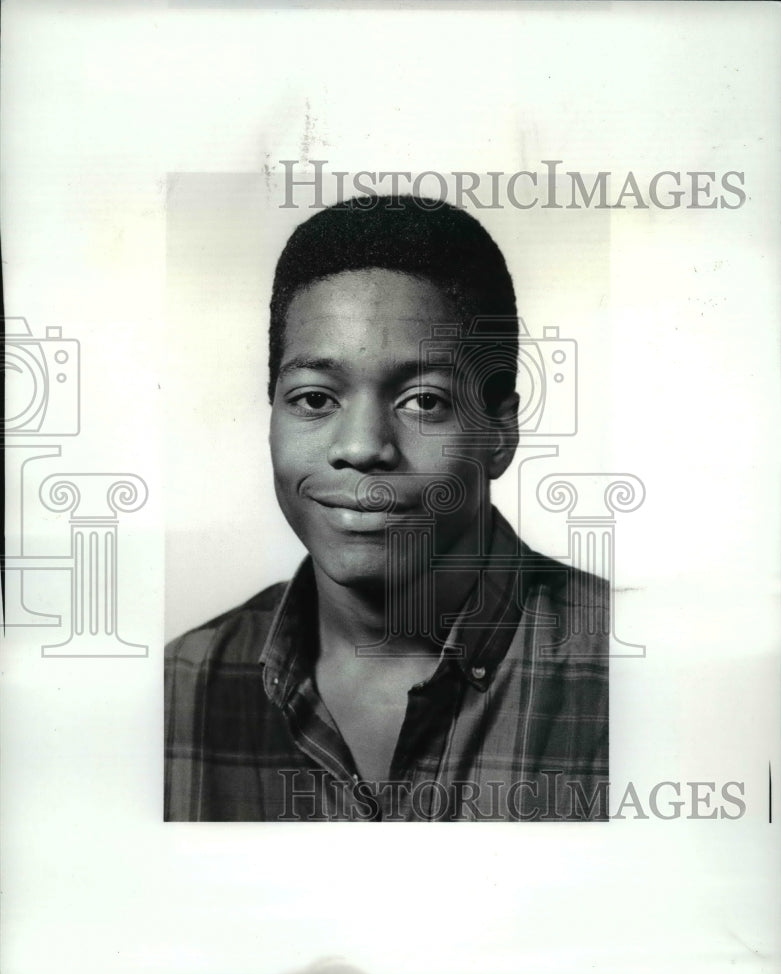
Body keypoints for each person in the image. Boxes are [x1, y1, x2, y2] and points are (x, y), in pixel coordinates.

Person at [165, 196, 608, 822]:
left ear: (500, 433)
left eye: (424, 401)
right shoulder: (181, 685)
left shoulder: (632, 672)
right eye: (315, 398)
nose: (361, 447)